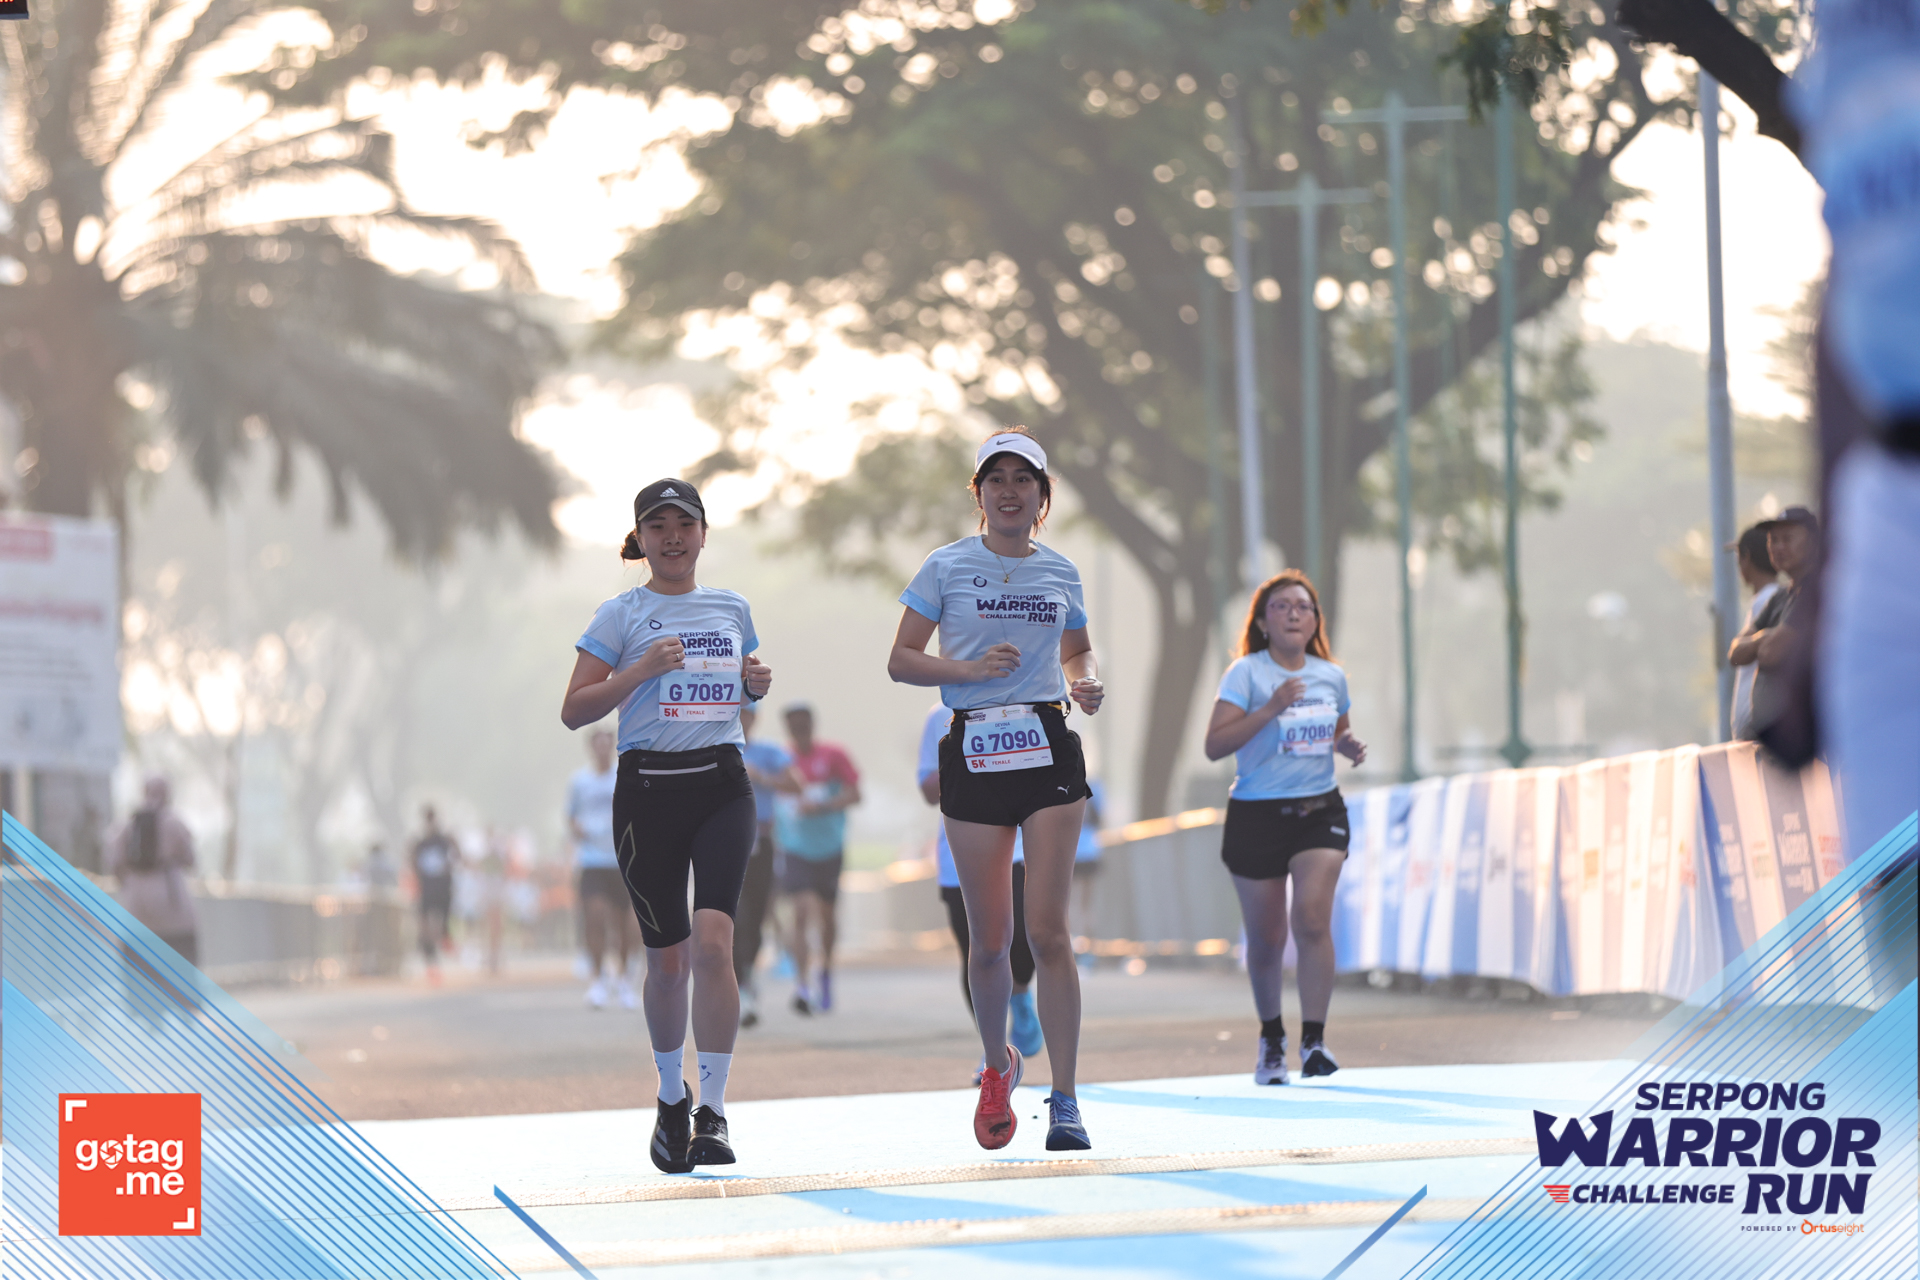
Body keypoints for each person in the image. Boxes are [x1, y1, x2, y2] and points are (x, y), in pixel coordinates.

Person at [888, 426, 1105, 1152]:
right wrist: (968, 672)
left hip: (1045, 745)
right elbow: (902, 660)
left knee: (1048, 931)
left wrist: (1084, 681)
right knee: (990, 941)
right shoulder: (946, 565)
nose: (1009, 491)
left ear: (1043, 497)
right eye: (996, 479)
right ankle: (995, 1067)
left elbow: (1078, 648)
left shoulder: (1061, 572)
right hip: (975, 747)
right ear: (978, 493)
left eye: (1023, 480)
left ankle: (1066, 1099)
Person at [560, 477, 773, 1174]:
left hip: (722, 787)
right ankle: (671, 1096)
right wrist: (640, 670)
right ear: (641, 539)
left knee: (714, 946)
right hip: (648, 793)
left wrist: (752, 685)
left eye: (685, 524)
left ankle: (714, 1110)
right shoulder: (620, 614)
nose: (673, 537)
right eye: (658, 526)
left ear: (704, 534)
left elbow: (738, 688)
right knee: (668, 961)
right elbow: (575, 709)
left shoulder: (732, 607)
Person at [1202, 570, 1367, 1086]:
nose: (1294, 614)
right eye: (1282, 606)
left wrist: (1345, 745)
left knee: (1312, 920)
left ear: (1316, 621)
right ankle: (1271, 1037)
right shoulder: (1245, 674)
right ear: (1263, 622)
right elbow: (1215, 745)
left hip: (1319, 810)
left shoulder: (1331, 676)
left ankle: (1314, 1041)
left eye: (1303, 607)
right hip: (1257, 814)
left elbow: (1335, 731)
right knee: (1267, 937)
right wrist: (1272, 708)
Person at [917, 702, 1044, 1074]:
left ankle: (1020, 994)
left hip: (1018, 845)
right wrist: (965, 756)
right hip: (960, 854)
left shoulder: (1024, 701)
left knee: (1023, 941)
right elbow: (927, 788)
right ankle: (995, 1054)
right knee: (979, 951)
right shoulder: (940, 714)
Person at [774, 703, 860, 1014]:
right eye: (793, 724)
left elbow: (855, 794)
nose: (799, 729)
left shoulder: (834, 755)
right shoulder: (781, 759)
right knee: (800, 912)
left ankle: (826, 970)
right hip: (795, 849)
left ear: (812, 724)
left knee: (827, 917)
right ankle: (802, 984)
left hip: (829, 848)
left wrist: (822, 806)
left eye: (804, 723)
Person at [1727, 506, 1819, 742]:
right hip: (1772, 742)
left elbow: (1771, 653)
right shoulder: (1779, 597)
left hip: (1807, 740)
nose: (1778, 547)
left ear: (1813, 542)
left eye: (1787, 539)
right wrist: (1765, 638)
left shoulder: (1818, 592)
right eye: (1773, 540)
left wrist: (1758, 643)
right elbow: (1735, 653)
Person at [569, 729, 640, 1010]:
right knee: (595, 916)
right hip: (592, 861)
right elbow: (571, 817)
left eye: (606, 744)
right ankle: (597, 980)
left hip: (622, 859)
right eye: (597, 744)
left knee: (626, 924)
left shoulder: (624, 777)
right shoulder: (579, 781)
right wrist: (579, 830)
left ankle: (623, 981)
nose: (602, 749)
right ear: (591, 748)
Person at [734, 705, 791, 1027]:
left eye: (747, 712)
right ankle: (740, 986)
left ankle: (748, 975)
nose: (742, 718)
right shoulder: (715, 747)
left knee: (755, 918)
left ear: (755, 717)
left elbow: (796, 784)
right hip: (726, 842)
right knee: (735, 916)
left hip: (762, 842)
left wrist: (761, 777)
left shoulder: (768, 752)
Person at [105, 776, 200, 964]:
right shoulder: (174, 823)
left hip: (136, 909)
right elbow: (190, 860)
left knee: (137, 973)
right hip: (174, 912)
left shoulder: (126, 825)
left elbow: (114, 862)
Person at [1725, 524, 1780, 740]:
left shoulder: (1768, 600)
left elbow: (1737, 653)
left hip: (1760, 729)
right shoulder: (1767, 598)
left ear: (1746, 557)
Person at [409, 805, 459, 985]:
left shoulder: (444, 841)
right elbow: (413, 863)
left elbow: (457, 857)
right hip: (427, 890)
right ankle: (432, 967)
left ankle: (445, 939)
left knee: (440, 926)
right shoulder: (420, 843)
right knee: (426, 929)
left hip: (442, 889)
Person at [1072, 778, 1105, 967]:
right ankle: (1089, 952)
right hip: (1091, 852)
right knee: (1087, 907)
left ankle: (1075, 950)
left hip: (1070, 852)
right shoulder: (1096, 787)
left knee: (1069, 906)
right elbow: (1100, 819)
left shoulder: (1062, 781)